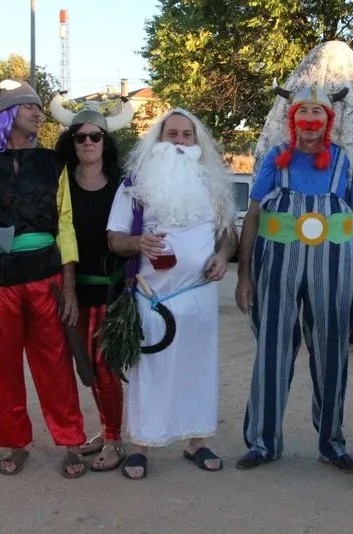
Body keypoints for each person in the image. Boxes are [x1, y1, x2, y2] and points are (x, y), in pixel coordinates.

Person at [234, 57, 353, 471]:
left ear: (328, 119)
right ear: (292, 118)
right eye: (301, 111)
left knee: (332, 349)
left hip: (333, 267)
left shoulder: (346, 164)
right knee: (272, 349)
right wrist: (244, 274)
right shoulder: (274, 160)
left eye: (316, 111)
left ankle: (331, 442)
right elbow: (252, 216)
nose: (309, 118)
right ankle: (264, 441)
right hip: (277, 265)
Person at [0, 79, 88, 478]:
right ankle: (15, 443)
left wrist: (68, 285)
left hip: (46, 277)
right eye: (29, 107)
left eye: (38, 107)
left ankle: (71, 440)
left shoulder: (52, 162)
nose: (38, 113)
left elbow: (65, 223)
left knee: (55, 362)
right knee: (1, 365)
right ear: (7, 114)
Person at [105, 108, 237, 480]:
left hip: (199, 295)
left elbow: (228, 234)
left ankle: (197, 442)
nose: (179, 142)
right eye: (172, 135)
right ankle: (142, 446)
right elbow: (114, 239)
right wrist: (136, 241)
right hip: (152, 297)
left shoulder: (212, 185)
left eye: (186, 135)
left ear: (197, 143)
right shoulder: (134, 184)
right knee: (151, 370)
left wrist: (223, 255)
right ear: (158, 140)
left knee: (199, 368)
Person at [52, 95, 134, 472]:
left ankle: (115, 439)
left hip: (110, 289)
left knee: (104, 366)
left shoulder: (123, 185)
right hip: (70, 289)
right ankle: (106, 429)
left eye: (95, 136)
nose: (87, 143)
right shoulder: (59, 183)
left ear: (106, 141)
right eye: (80, 137)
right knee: (83, 366)